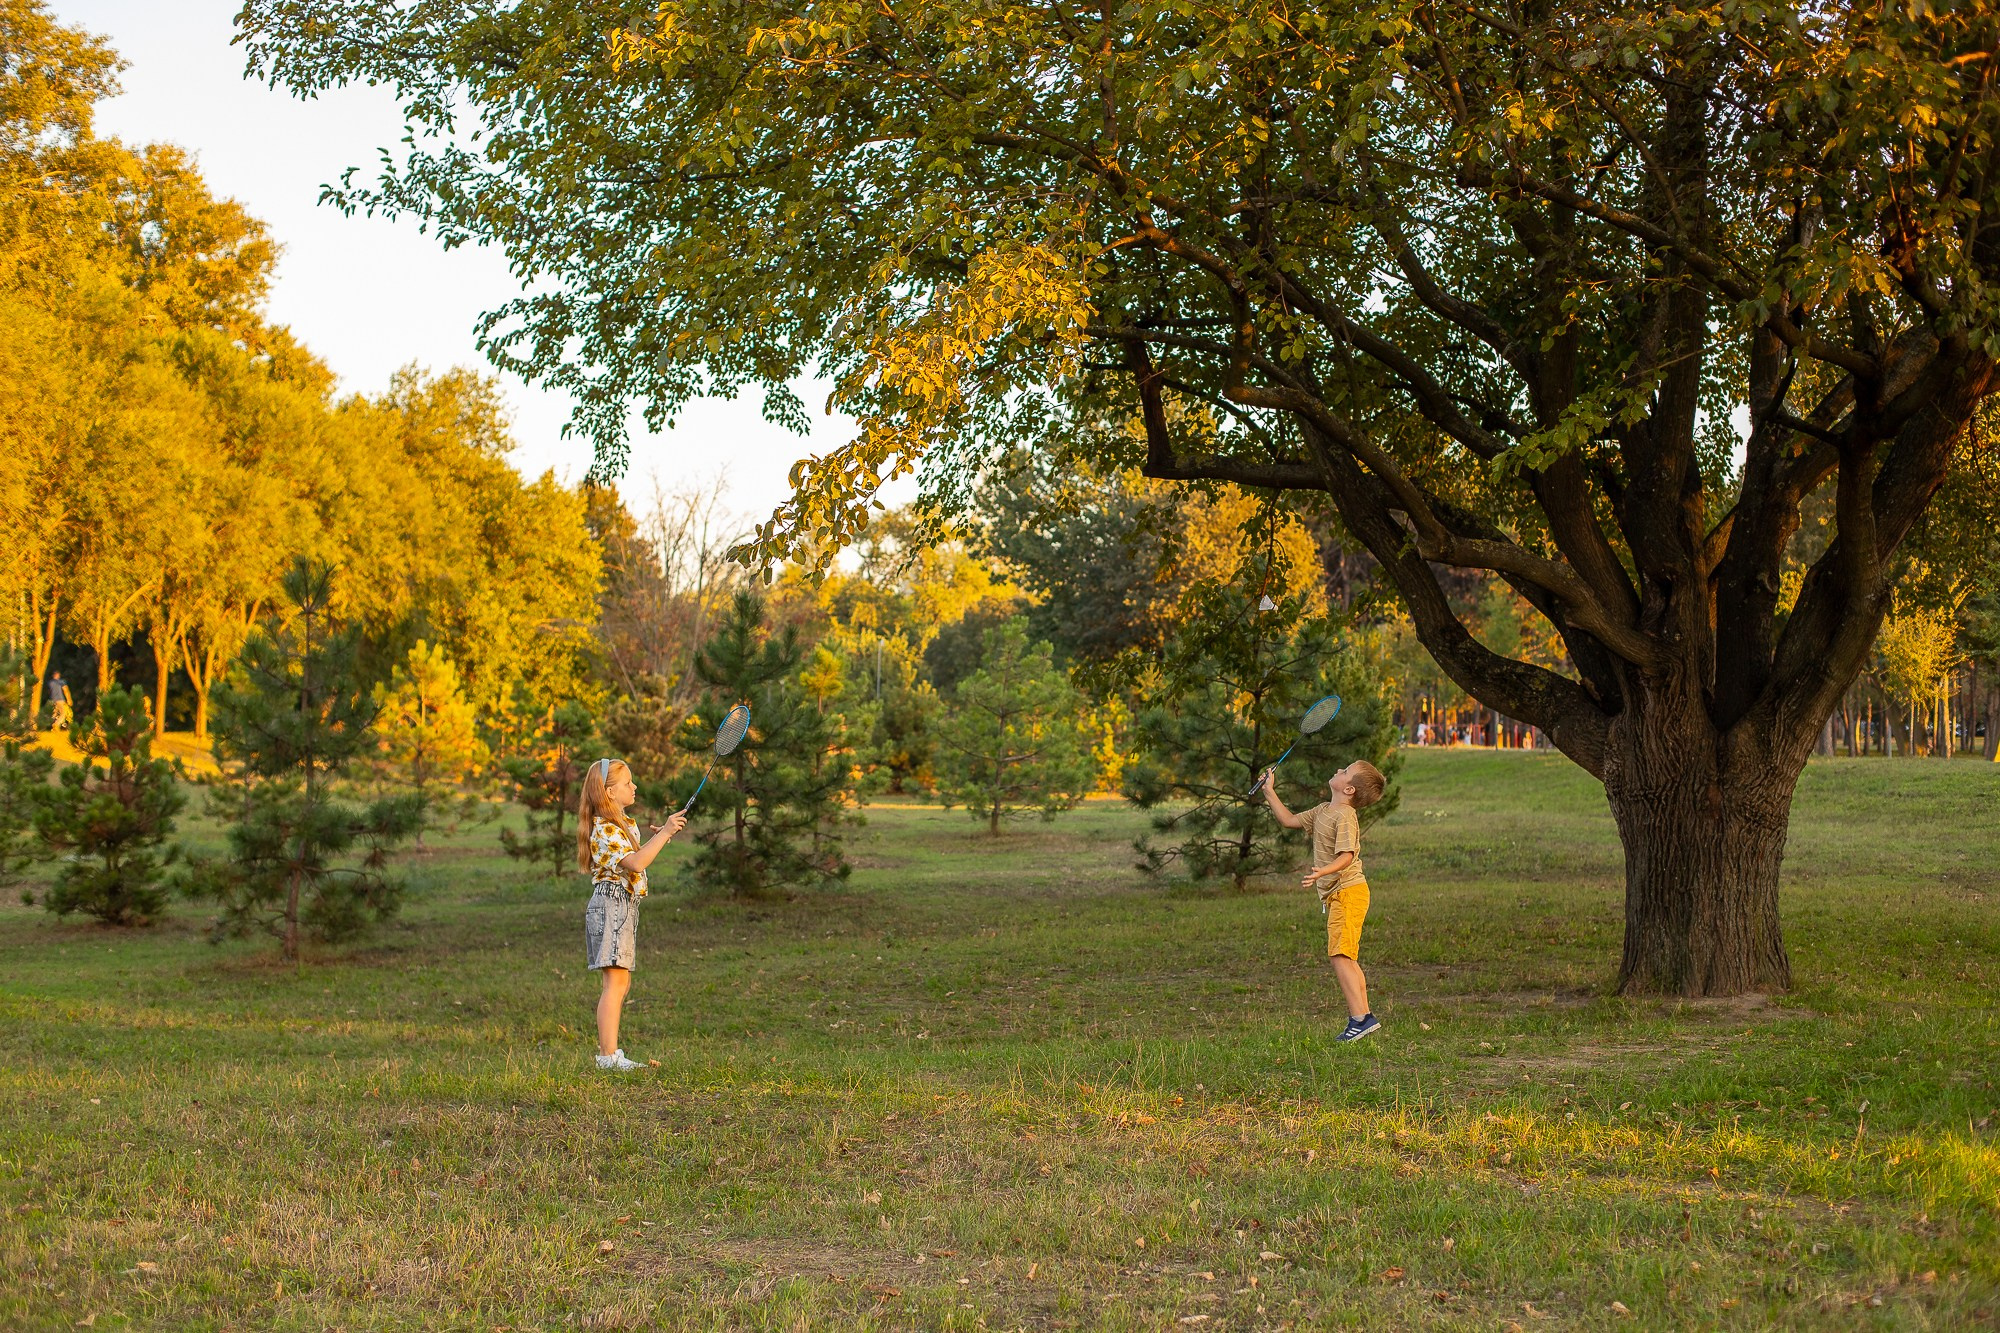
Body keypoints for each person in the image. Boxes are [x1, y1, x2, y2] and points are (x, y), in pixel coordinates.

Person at [1260, 759, 1388, 1042]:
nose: (1338, 770)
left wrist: (1323, 871)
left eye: (1344, 771)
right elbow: (1289, 820)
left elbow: (1347, 856)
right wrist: (1269, 791)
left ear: (1350, 789)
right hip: (1340, 893)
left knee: (1340, 955)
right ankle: (1363, 1016)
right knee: (1346, 955)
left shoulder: (1345, 817)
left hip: (1349, 891)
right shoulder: (1323, 811)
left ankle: (1360, 1019)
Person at [575, 758, 687, 1072]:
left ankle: (610, 1054)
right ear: (609, 792)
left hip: (622, 907)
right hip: (612, 906)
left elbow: (639, 855)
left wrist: (659, 836)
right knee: (614, 984)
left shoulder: (620, 823)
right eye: (627, 783)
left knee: (620, 983)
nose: (634, 787)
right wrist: (664, 832)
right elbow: (637, 864)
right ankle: (607, 1057)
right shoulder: (606, 827)